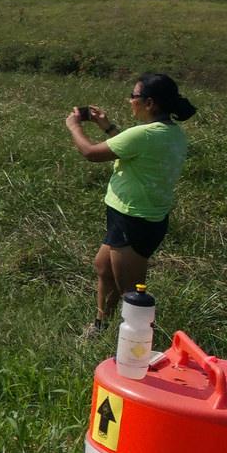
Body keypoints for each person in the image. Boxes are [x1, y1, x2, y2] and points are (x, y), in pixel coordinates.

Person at [68, 73, 196, 336]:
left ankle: (134, 345)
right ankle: (100, 326)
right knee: (104, 268)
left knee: (132, 294)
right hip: (128, 216)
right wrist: (107, 126)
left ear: (149, 103)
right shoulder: (168, 132)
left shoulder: (144, 135)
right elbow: (130, 149)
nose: (129, 101)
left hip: (134, 219)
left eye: (133, 96)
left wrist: (74, 127)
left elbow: (91, 153)